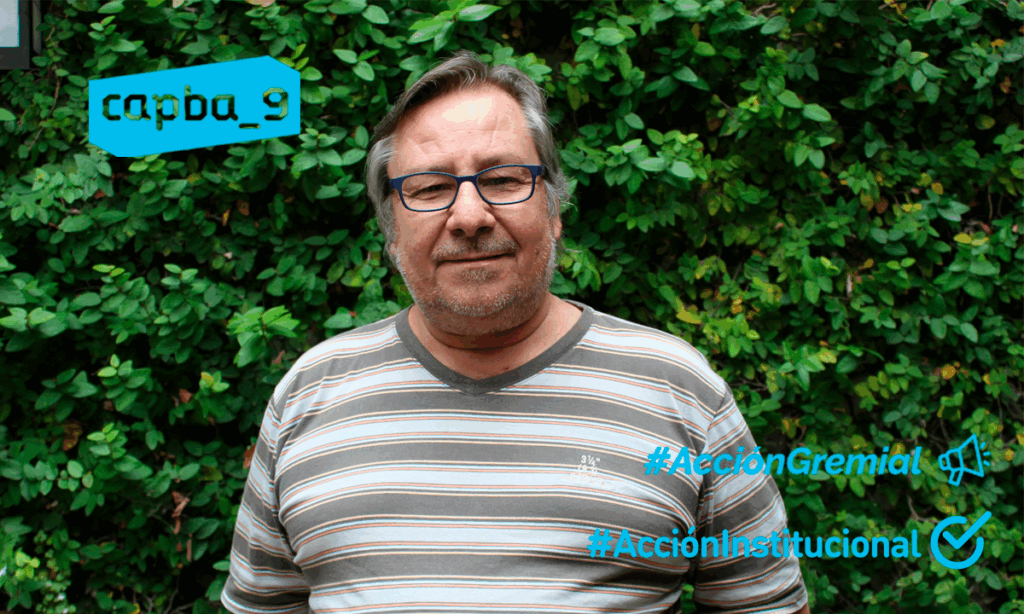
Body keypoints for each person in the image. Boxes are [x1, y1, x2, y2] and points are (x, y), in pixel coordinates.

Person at [221, 50, 810, 614]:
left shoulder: (678, 390)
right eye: (429, 188)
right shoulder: (309, 392)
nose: (469, 217)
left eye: (503, 179)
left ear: (553, 211)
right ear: (391, 230)